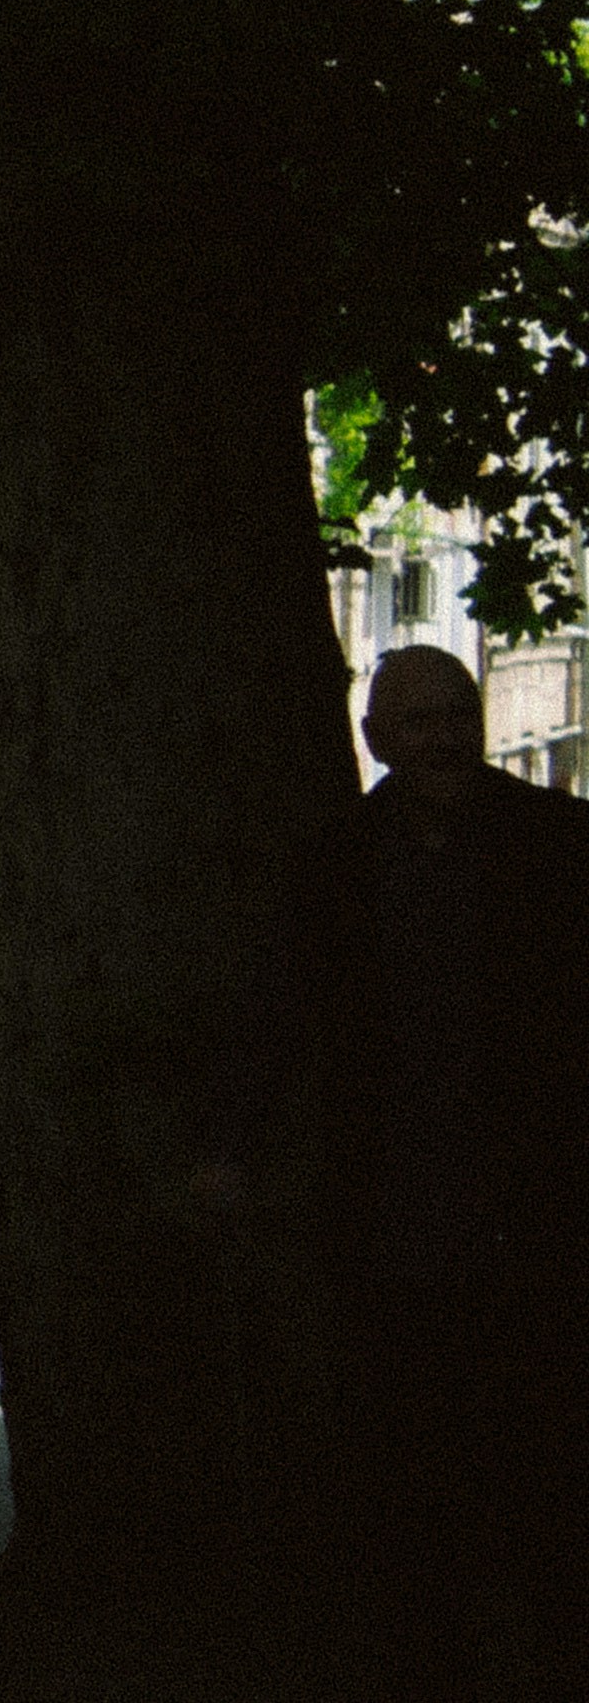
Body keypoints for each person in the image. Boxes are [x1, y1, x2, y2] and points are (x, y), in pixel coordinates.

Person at [347, 643, 589, 1683]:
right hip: (395, 1210)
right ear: (375, 741)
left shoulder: (560, 843)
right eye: (418, 721)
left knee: (544, 1444)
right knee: (410, 1451)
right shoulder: (341, 860)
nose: (443, 738)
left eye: (458, 715)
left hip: (538, 1207)